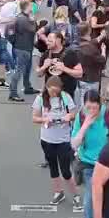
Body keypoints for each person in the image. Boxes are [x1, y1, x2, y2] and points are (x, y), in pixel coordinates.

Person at [32, 76, 80, 210]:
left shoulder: (65, 97)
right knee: (53, 167)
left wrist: (68, 117)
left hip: (63, 139)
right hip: (47, 139)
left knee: (65, 170)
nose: (53, 94)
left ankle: (75, 194)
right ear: (46, 88)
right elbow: (34, 118)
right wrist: (44, 120)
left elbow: (74, 113)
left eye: (56, 91)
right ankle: (58, 192)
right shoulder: (40, 98)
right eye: (51, 91)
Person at [70, 90, 109, 218]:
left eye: (95, 108)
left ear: (100, 105)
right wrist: (85, 125)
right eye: (88, 108)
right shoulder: (81, 117)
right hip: (88, 164)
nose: (92, 111)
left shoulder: (107, 114)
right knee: (91, 197)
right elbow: (74, 145)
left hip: (106, 163)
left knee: (107, 196)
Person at [10, 0, 38, 102]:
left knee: (27, 69)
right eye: (31, 5)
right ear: (26, 7)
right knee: (19, 70)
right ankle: (13, 92)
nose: (32, 6)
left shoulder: (21, 17)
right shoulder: (23, 19)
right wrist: (33, 20)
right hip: (23, 48)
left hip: (26, 47)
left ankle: (27, 87)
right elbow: (33, 29)